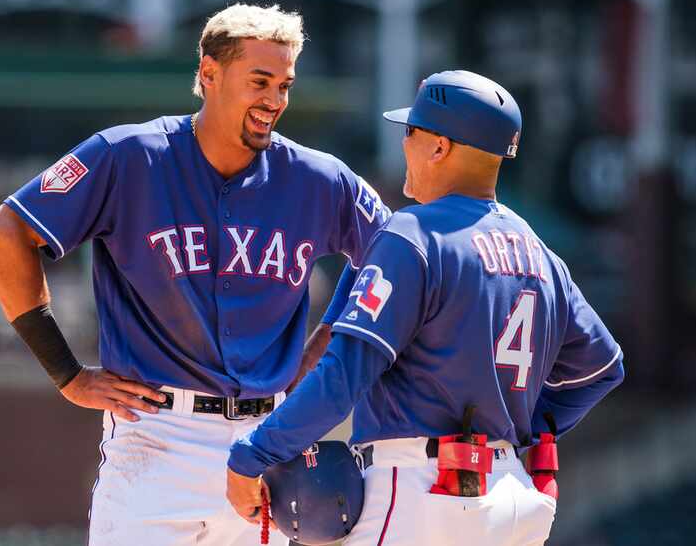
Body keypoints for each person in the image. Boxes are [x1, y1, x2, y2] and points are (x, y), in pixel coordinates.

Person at [0, 3, 388, 546]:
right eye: (259, 81)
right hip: (156, 439)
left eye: (284, 85)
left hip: (268, 443)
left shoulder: (319, 178)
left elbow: (395, 259)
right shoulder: (126, 156)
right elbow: (3, 236)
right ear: (209, 73)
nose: (274, 101)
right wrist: (67, 374)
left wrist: (326, 343)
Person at [226, 70, 625, 546]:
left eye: (411, 132)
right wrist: (520, 434)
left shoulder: (413, 236)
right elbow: (603, 368)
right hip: (513, 501)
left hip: (423, 493)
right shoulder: (542, 255)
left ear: (440, 146)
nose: (404, 145)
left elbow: (343, 377)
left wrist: (252, 455)